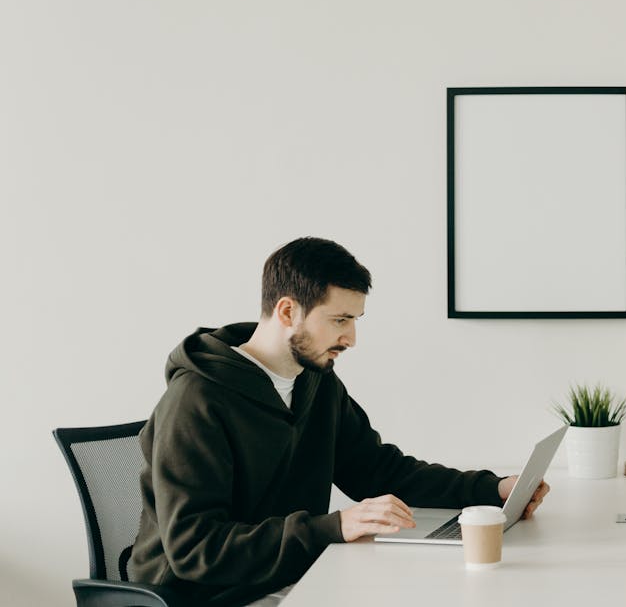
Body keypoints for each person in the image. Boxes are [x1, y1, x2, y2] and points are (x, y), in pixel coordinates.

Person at [129, 237, 549, 606]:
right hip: (206, 596)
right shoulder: (196, 401)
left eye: (354, 321)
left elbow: (380, 471)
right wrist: (334, 527)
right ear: (288, 311)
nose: (350, 339)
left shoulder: (317, 383)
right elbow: (195, 549)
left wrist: (491, 489)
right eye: (339, 320)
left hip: (292, 578)